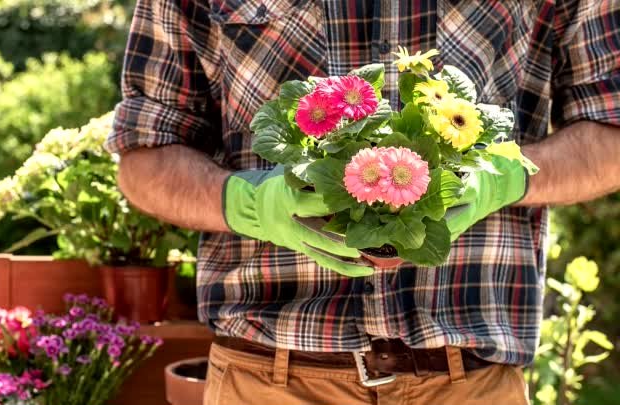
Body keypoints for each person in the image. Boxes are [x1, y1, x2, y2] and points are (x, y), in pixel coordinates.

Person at [106, 1, 620, 404]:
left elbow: (609, 133)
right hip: (269, 380)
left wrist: (507, 177)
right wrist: (245, 201)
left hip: (469, 384)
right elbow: (145, 154)